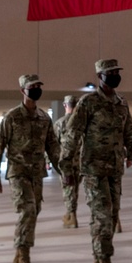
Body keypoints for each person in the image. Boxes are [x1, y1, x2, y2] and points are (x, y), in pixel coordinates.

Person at [60, 60, 132, 263]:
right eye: (111, 73)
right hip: (93, 170)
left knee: (112, 216)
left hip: (115, 170)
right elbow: (72, 134)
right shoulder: (88, 102)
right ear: (100, 75)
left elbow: (128, 133)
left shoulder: (121, 103)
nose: (115, 75)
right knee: (103, 219)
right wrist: (67, 167)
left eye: (118, 72)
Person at [0, 74, 61, 263]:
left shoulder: (44, 117)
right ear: (23, 90)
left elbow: (53, 147)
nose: (37, 89)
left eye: (39, 86)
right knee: (28, 210)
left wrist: (64, 171)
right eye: (33, 87)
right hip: (18, 172)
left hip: (37, 173)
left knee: (34, 211)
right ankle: (24, 258)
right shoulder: (12, 117)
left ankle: (18, 255)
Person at [54, 95, 81, 229]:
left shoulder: (59, 123)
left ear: (65, 105)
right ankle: (71, 214)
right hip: (80, 161)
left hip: (66, 162)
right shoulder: (81, 123)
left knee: (68, 189)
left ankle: (71, 216)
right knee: (75, 189)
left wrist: (50, 161)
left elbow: (54, 144)